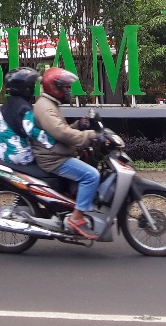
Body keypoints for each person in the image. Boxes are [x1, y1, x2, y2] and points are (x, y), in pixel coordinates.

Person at [31, 66, 102, 240]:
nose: (68, 91)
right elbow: (61, 133)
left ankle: (74, 207)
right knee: (91, 176)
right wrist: (90, 136)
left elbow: (61, 130)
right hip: (53, 158)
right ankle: (76, 218)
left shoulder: (49, 104)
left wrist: (79, 125)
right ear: (54, 87)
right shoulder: (45, 107)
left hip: (56, 152)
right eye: (66, 87)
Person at [0, 67, 53, 165]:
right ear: (26, 87)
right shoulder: (23, 108)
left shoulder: (7, 105)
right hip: (18, 155)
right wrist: (52, 141)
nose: (34, 87)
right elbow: (32, 130)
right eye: (32, 85)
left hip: (0, 152)